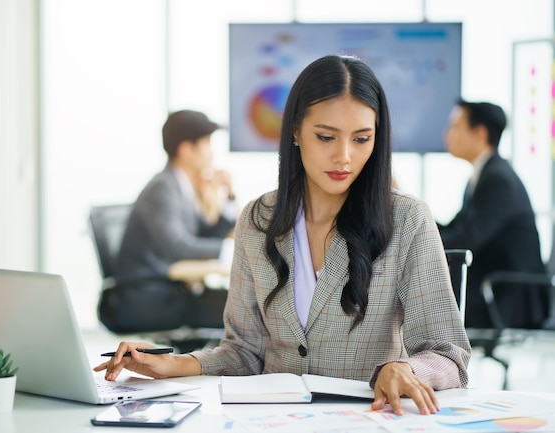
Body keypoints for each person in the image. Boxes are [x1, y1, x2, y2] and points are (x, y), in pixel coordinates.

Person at [95, 55, 471, 416]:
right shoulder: (257, 220)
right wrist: (173, 364)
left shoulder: (407, 219)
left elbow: (448, 353)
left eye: (361, 139)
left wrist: (408, 370)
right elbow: (244, 352)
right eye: (326, 137)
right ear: (295, 130)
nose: (343, 156)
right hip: (273, 419)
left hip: (364, 419)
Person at [101, 110, 237, 334]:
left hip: (167, 293)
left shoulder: (180, 185)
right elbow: (178, 247)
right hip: (146, 299)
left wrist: (229, 196)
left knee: (242, 304)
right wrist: (231, 250)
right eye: (207, 145)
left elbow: (205, 235)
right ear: (187, 150)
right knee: (240, 309)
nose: (212, 154)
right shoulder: (163, 188)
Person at [437, 100, 548, 329]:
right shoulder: (484, 175)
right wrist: (415, 222)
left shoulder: (498, 180)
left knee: (426, 302)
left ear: (479, 133)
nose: (447, 135)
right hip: (492, 285)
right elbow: (455, 228)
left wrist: (420, 244)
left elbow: (468, 239)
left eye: (455, 127)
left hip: (506, 296)